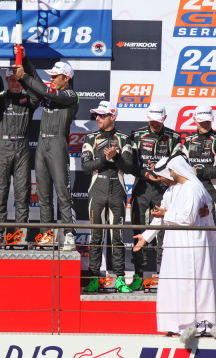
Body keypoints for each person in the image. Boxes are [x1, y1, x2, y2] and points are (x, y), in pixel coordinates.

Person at [134, 155, 216, 336]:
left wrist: (166, 215)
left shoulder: (191, 187)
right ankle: (176, 325)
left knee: (190, 287)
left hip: (189, 246)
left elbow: (188, 217)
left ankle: (194, 326)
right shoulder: (171, 192)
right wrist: (145, 236)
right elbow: (162, 217)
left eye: (162, 175)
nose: (161, 179)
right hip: (176, 246)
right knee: (174, 287)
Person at [14, 58, 79, 250]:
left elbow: (46, 91)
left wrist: (24, 77)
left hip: (58, 144)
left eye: (55, 77)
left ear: (66, 78)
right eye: (51, 76)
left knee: (63, 194)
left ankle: (69, 235)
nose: (52, 79)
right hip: (42, 143)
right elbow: (39, 82)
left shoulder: (71, 95)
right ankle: (47, 235)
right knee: (44, 196)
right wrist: (25, 59)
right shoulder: (51, 90)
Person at [81, 101, 133, 293]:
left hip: (117, 190)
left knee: (117, 237)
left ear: (113, 116)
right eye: (97, 115)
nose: (98, 118)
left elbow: (129, 167)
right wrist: (106, 158)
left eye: (102, 115)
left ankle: (120, 280)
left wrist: (116, 157)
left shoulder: (124, 139)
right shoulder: (90, 138)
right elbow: (86, 167)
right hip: (97, 190)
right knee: (96, 237)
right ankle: (94, 278)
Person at [0, 64, 39, 249]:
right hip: (3, 147)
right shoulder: (1, 98)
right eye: (12, 80)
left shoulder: (27, 98)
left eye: (18, 80)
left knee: (23, 193)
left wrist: (24, 77)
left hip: (22, 146)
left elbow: (37, 97)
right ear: (7, 80)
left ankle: (20, 234)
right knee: (0, 193)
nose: (15, 83)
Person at [130, 103, 182, 290]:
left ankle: (162, 276)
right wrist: (144, 173)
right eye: (152, 120)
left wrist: (162, 172)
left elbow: (179, 164)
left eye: (158, 121)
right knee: (139, 229)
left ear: (164, 118)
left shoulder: (174, 137)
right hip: (142, 188)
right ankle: (138, 275)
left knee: (163, 231)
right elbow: (129, 164)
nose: (155, 124)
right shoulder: (136, 135)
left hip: (163, 188)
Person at [181, 105, 216, 275]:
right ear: (194, 120)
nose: (204, 124)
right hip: (190, 190)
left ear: (212, 120)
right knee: (190, 232)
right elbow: (180, 167)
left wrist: (198, 172)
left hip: (212, 190)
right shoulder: (188, 141)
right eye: (201, 121)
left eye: (207, 121)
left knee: (213, 234)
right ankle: (193, 274)